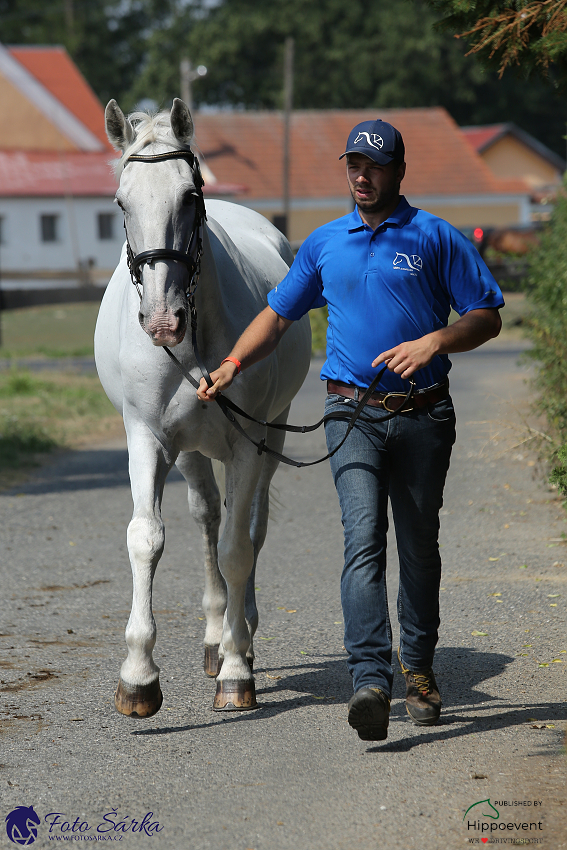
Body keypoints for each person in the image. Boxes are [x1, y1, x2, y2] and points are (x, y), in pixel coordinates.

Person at [197, 118, 503, 742]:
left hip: (423, 414)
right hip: (350, 415)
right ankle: (370, 677)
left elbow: (487, 315)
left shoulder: (435, 237)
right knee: (362, 541)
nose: (362, 176)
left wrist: (436, 341)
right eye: (353, 166)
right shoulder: (324, 244)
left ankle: (417, 669)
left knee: (417, 546)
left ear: (398, 171)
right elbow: (278, 316)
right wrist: (231, 363)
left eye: (375, 166)